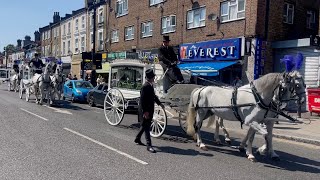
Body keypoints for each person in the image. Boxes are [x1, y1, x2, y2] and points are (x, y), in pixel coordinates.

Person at [134, 69, 164, 153]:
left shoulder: (150, 86)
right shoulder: (145, 86)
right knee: (147, 127)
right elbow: (142, 101)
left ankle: (137, 138)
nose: (154, 78)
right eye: (153, 76)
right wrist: (145, 112)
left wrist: (159, 104)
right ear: (150, 78)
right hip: (145, 110)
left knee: (144, 126)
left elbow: (154, 97)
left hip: (149, 110)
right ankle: (149, 145)